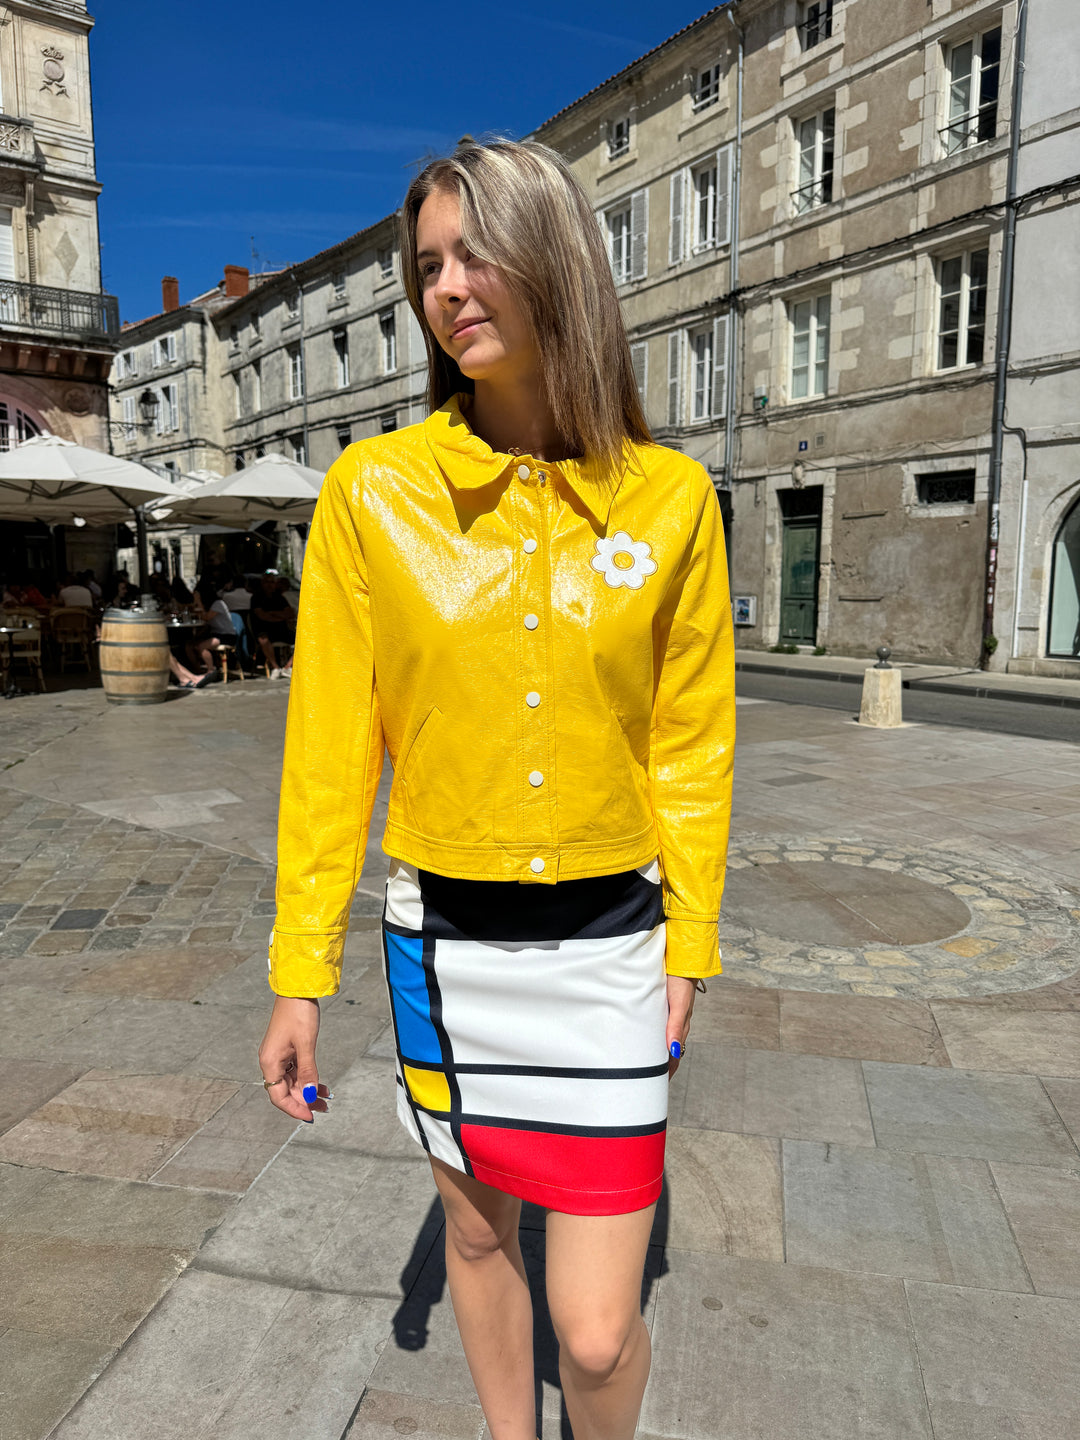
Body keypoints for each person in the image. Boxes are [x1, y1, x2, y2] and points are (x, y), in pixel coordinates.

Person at [257, 140, 735, 1440]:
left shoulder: (671, 501)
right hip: (446, 944)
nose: (448, 288)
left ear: (555, 258)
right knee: (477, 1242)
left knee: (597, 1327)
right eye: (427, 267)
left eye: (476, 253)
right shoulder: (373, 495)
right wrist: (301, 974)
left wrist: (690, 943)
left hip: (612, 946)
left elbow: (691, 746)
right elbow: (330, 748)